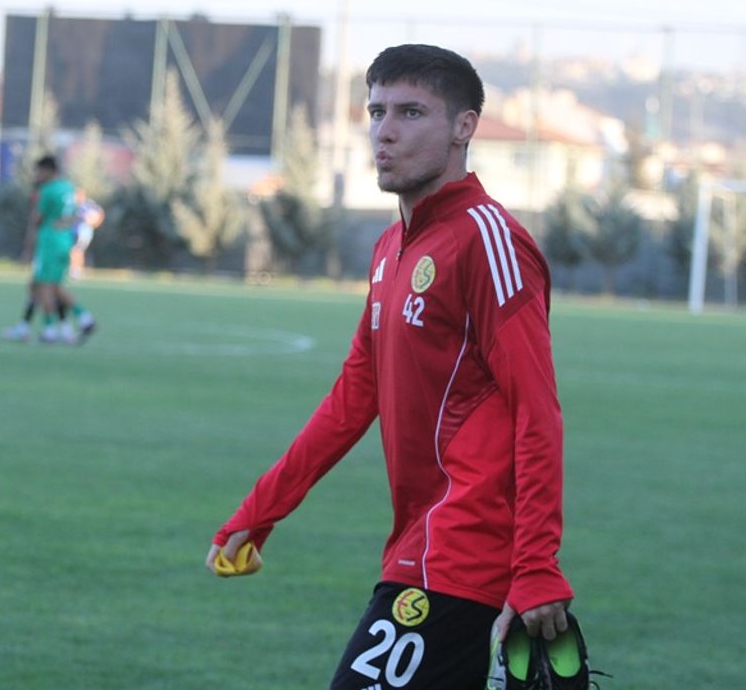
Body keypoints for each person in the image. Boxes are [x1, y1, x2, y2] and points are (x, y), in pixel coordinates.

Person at [205, 44, 574, 689]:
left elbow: (537, 411)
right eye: (377, 112)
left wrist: (537, 564)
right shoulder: (389, 248)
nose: (385, 131)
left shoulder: (488, 240)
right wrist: (260, 511)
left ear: (464, 126)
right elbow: (354, 395)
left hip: (466, 552)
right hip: (417, 545)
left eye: (411, 112)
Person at [8, 155, 96, 345]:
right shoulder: (69, 187)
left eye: (39, 171)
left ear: (48, 171)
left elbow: (36, 220)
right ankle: (77, 322)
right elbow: (76, 214)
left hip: (49, 241)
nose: (36, 175)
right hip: (64, 240)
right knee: (43, 286)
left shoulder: (47, 190)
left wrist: (28, 248)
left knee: (45, 286)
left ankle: (52, 329)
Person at [68, 190, 104, 279]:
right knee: (73, 251)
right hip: (73, 231)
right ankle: (74, 269)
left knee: (77, 250)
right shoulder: (73, 206)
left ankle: (76, 271)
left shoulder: (89, 205)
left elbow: (100, 214)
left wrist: (95, 223)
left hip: (83, 233)